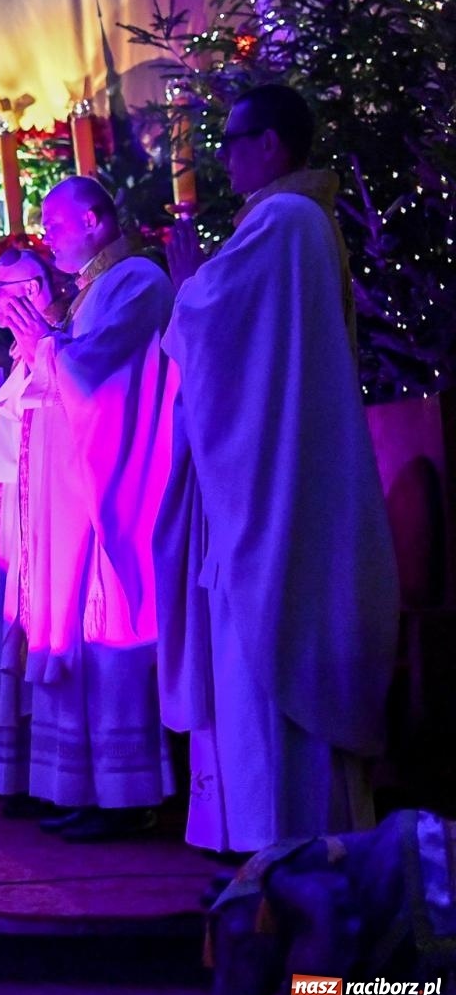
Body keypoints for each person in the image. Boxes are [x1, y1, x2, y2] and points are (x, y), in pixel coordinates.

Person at [157, 83, 398, 853]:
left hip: (276, 485)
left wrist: (190, 280)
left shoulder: (286, 222)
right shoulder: (288, 222)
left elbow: (208, 329)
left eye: (234, 140)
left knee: (269, 661)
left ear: (274, 144)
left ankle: (292, 856)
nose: (223, 157)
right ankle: (266, 852)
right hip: (264, 470)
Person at [0, 177, 178, 841]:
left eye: (57, 223)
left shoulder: (137, 283)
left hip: (116, 493)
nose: (48, 237)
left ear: (98, 220)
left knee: (110, 630)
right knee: (74, 638)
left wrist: (47, 342)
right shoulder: (90, 294)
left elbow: (98, 377)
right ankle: (82, 788)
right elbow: (57, 379)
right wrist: (35, 350)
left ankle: (127, 796)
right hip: (74, 496)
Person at [0, 246, 70, 814]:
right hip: (13, 513)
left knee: (33, 646)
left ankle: (46, 776)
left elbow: (71, 412)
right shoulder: (23, 352)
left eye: (3, 293)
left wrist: (9, 407)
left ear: (34, 287)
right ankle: (20, 775)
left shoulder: (58, 336)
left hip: (51, 517)